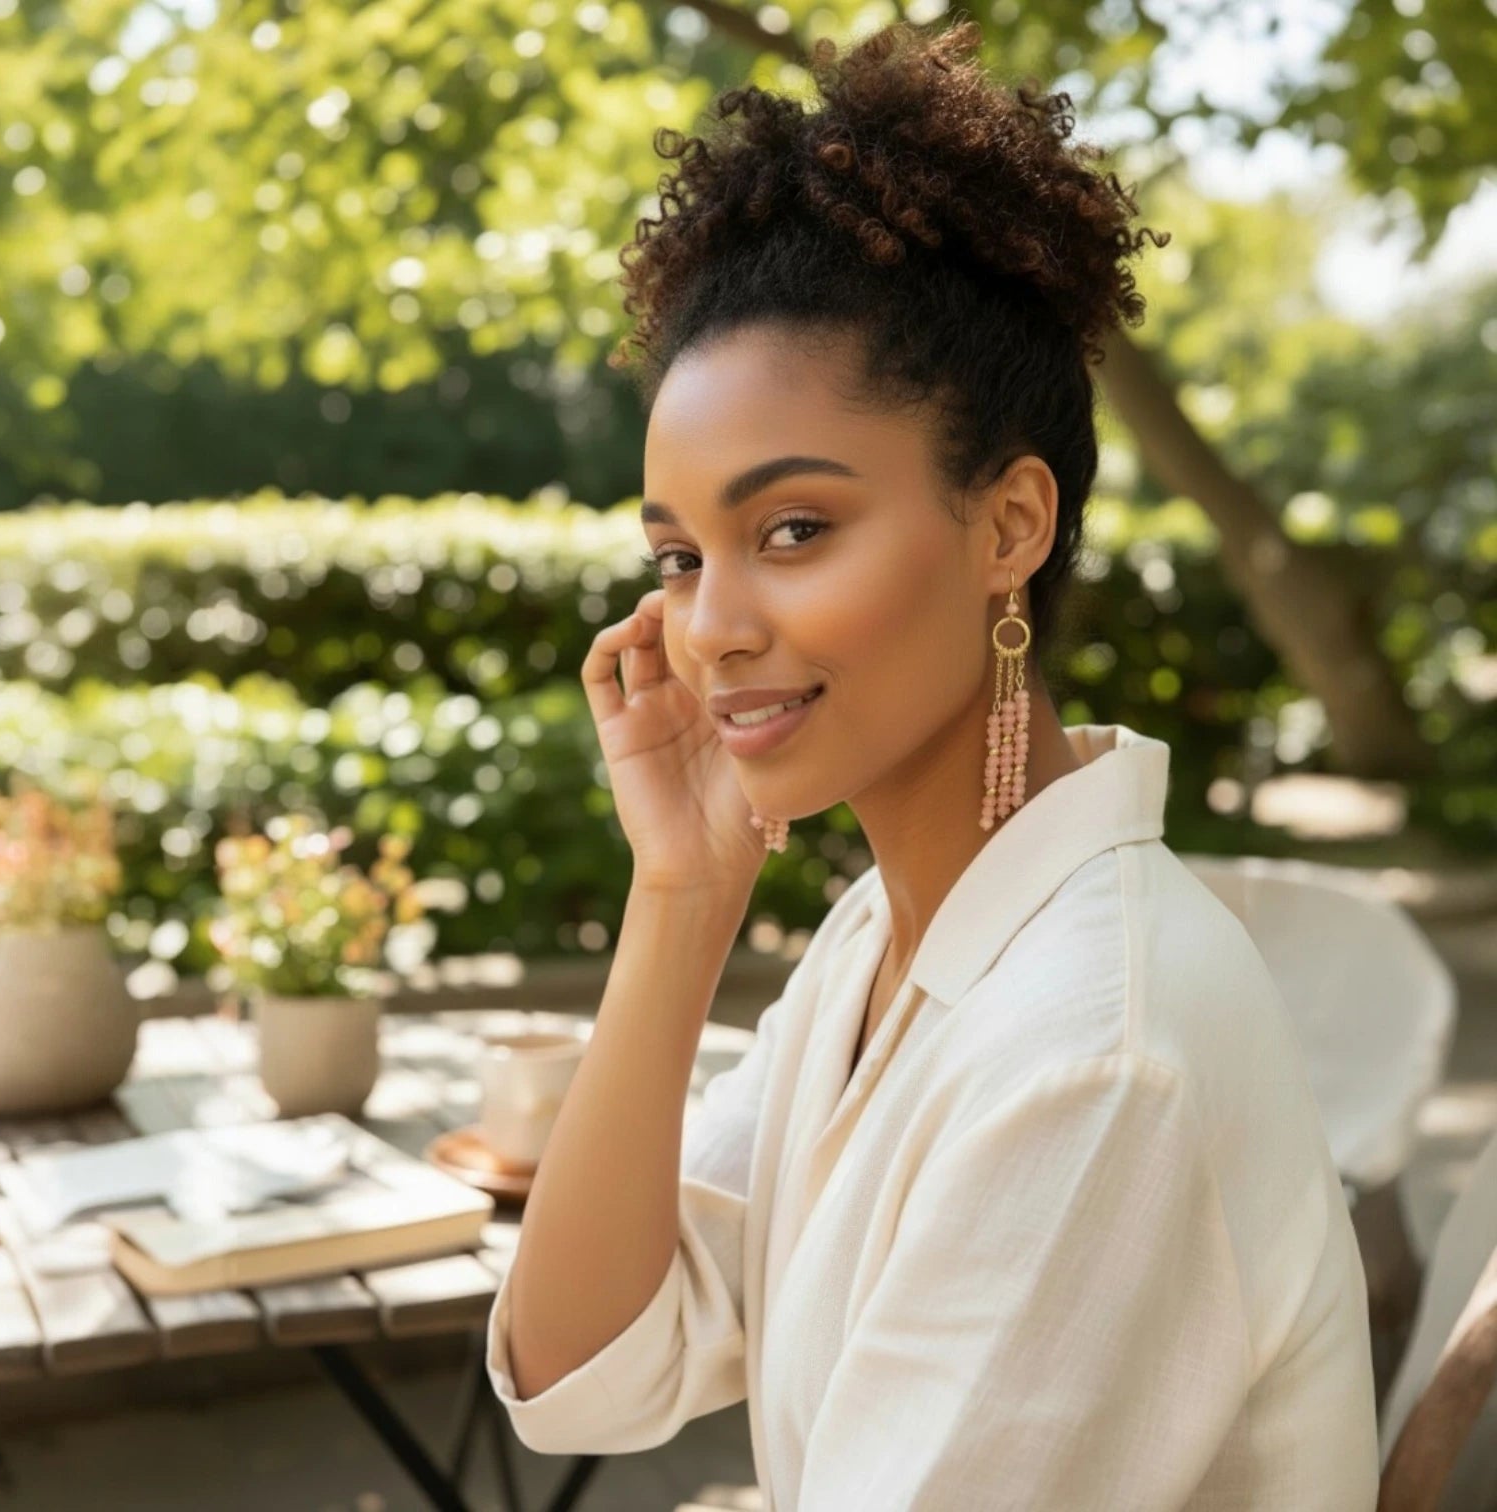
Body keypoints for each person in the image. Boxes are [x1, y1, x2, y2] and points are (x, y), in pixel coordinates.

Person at [484, 18, 1379, 1509]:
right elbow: (589, 1368)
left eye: (792, 531)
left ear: (1009, 528)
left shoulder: (1099, 1052)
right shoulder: (891, 942)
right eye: (678, 555)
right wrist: (683, 895)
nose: (709, 627)